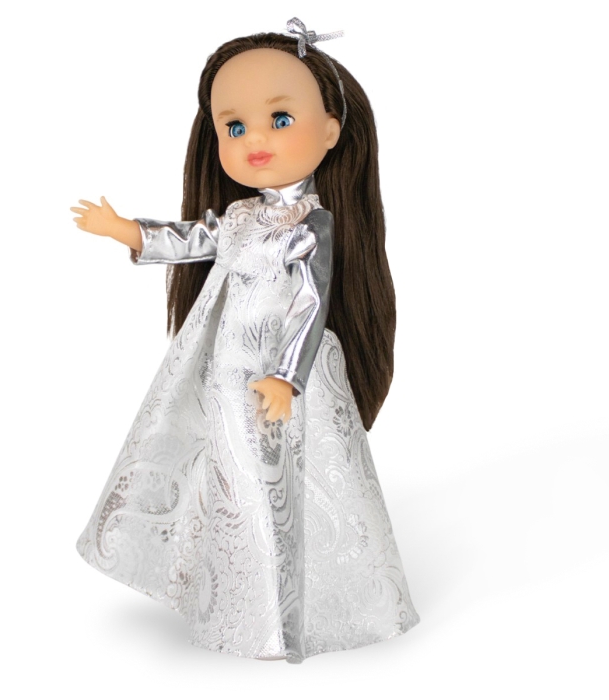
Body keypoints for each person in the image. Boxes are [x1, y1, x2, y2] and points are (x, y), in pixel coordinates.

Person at [71, 19, 420, 664]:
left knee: (288, 484)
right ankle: (234, 595)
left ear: (331, 131)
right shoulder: (238, 216)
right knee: (232, 482)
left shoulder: (310, 224)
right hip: (228, 371)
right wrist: (127, 231)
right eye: (233, 127)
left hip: (285, 376)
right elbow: (191, 239)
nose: (255, 138)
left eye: (279, 119)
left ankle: (298, 614)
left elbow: (312, 304)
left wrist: (289, 375)